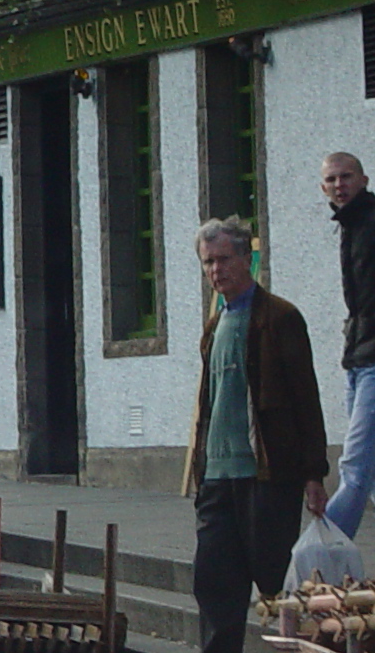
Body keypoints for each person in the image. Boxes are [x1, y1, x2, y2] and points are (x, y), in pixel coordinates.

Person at [188, 216, 328, 653]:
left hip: (266, 476)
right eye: (208, 263)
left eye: (224, 260)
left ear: (247, 258)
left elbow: (306, 396)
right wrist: (200, 468)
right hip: (218, 478)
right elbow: (210, 404)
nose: (216, 271)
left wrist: (313, 473)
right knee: (213, 581)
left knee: (274, 581)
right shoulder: (214, 325)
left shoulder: (279, 317)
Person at [326, 153, 375, 536]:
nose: (339, 185)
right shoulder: (350, 224)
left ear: (363, 179)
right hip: (357, 359)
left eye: (346, 177)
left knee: (355, 466)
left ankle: (322, 557)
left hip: (372, 358)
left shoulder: (370, 221)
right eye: (332, 179)